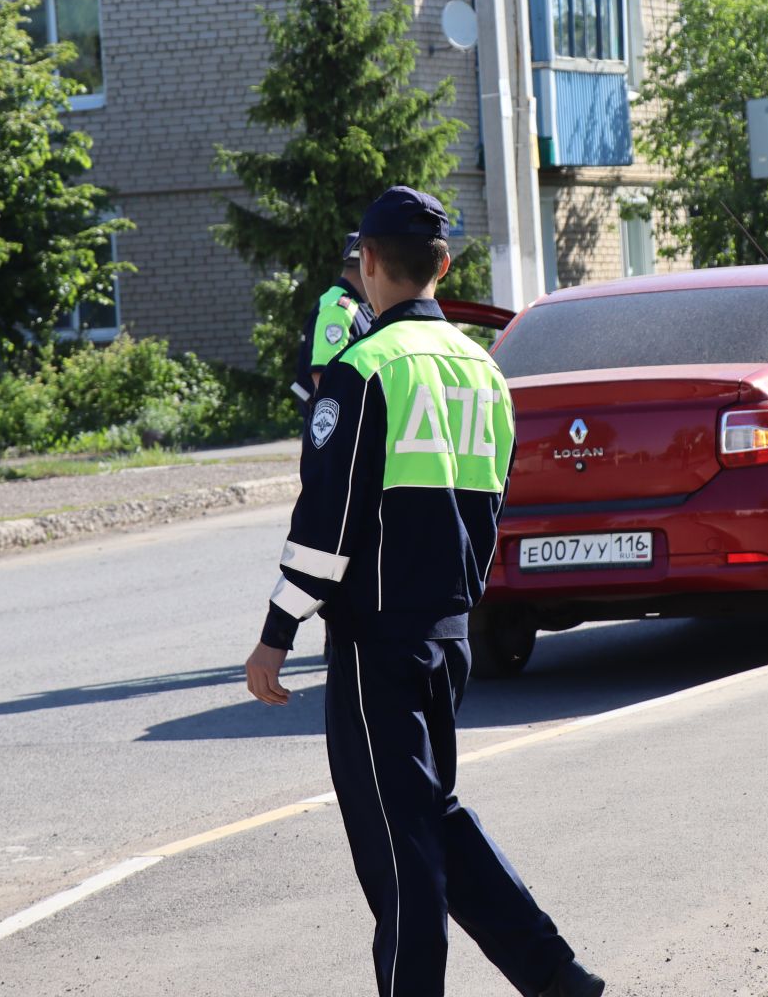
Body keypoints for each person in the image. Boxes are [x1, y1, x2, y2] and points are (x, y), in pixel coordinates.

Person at [245, 186, 605, 997]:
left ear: (367, 265)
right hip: (449, 635)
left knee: (397, 851)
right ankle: (555, 976)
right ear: (442, 267)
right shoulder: (486, 374)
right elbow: (490, 507)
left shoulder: (361, 370)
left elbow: (326, 524)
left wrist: (277, 631)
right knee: (429, 817)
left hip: (378, 642)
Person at [291, 231, 374, 410]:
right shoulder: (337, 309)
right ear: (368, 265)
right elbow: (323, 378)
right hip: (336, 428)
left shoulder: (355, 306)